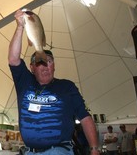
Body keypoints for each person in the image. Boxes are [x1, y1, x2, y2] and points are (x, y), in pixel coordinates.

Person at [8, 9, 100, 155]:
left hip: (58, 151)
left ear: (54, 66)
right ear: (31, 68)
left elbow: (85, 117)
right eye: (39, 62)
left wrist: (94, 148)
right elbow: (13, 59)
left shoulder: (67, 87)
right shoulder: (25, 83)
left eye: (49, 61)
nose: (44, 65)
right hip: (29, 152)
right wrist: (20, 27)